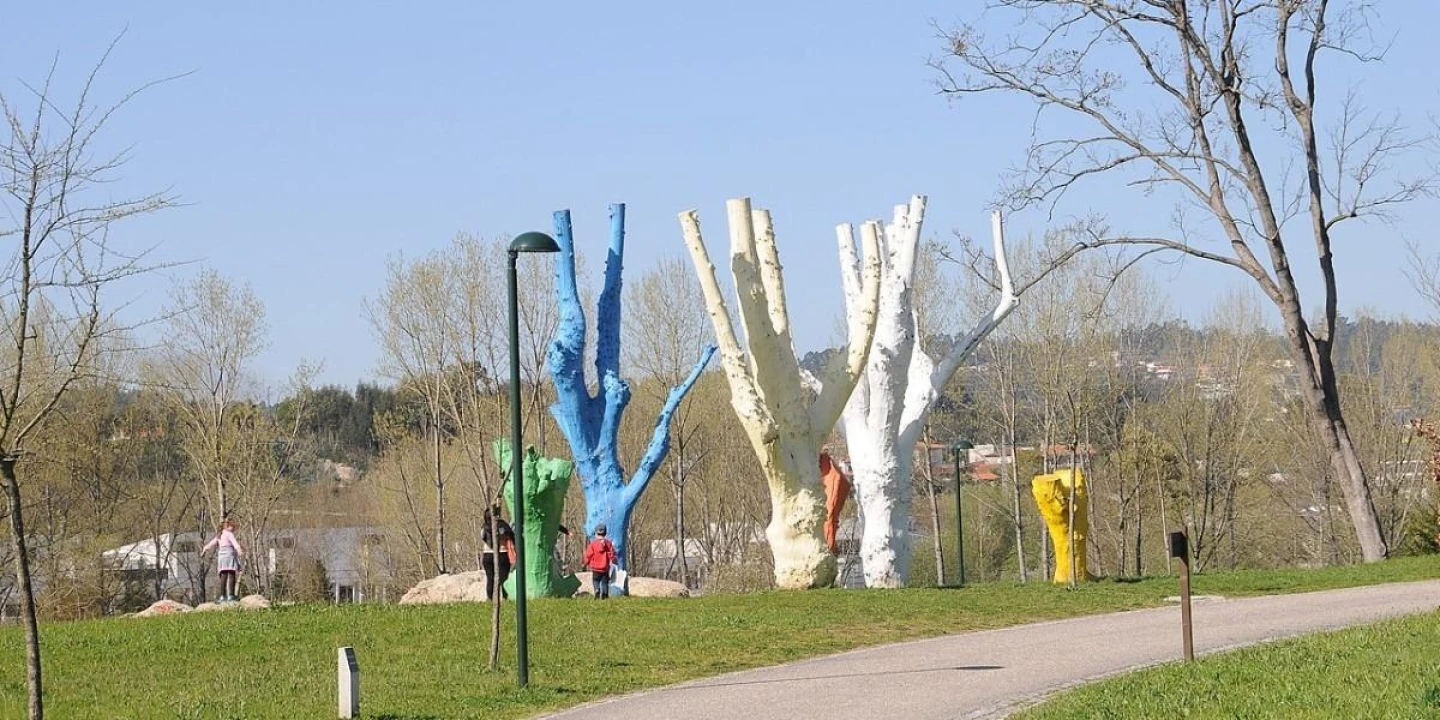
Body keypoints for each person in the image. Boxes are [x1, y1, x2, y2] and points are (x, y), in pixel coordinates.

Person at [200, 518, 245, 602]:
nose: (234, 528)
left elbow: (211, 543)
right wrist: (239, 550)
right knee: (231, 574)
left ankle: (222, 596)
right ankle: (231, 595)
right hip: (229, 555)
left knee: (223, 575)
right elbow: (235, 543)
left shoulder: (220, 534)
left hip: (221, 557)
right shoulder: (229, 534)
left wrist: (205, 549)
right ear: (228, 526)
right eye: (233, 526)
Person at [481, 505, 515, 600]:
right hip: (502, 553)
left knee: (490, 578)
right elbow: (511, 536)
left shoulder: (484, 527)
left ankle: (490, 598)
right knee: (504, 578)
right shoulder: (502, 525)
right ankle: (505, 597)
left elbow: (483, 536)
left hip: (487, 554)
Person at [582, 524, 618, 599]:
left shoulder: (593, 544)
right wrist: (614, 560)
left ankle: (597, 590)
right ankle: (604, 594)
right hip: (605, 568)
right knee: (605, 582)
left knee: (595, 580)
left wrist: (585, 563)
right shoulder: (608, 543)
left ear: (596, 533)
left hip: (595, 568)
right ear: (605, 533)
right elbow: (612, 553)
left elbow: (588, 555)